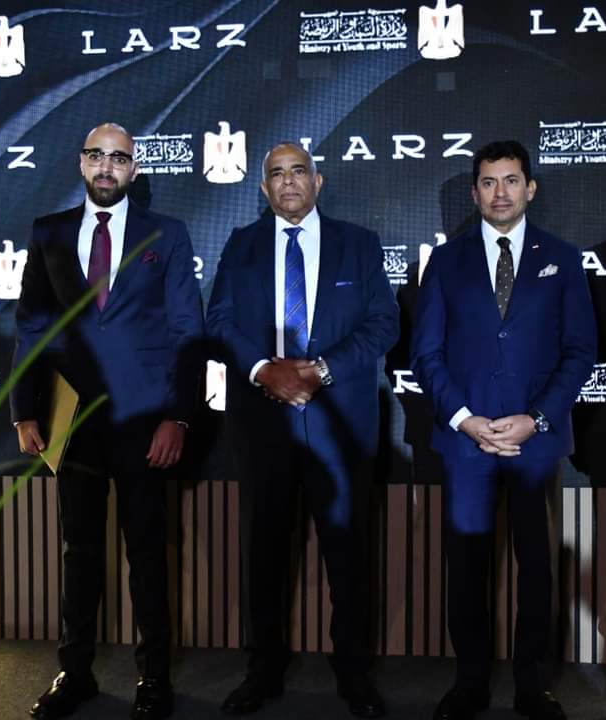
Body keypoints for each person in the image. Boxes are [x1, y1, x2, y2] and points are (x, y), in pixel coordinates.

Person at [11, 122, 204, 720]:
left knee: (147, 552)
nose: (106, 167)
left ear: (134, 169)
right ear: (81, 162)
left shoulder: (167, 234)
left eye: (118, 158)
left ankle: (154, 678)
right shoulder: (48, 233)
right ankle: (75, 673)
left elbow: (187, 331)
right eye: (96, 155)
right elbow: (31, 326)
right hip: (71, 419)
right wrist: (24, 410)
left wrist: (178, 417)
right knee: (79, 551)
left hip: (145, 418)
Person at [206, 142, 399, 718]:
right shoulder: (240, 244)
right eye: (276, 174)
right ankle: (261, 671)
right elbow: (219, 319)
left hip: (340, 424)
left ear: (318, 181)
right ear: (263, 188)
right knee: (264, 551)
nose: (288, 182)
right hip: (263, 423)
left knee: (348, 553)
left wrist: (319, 371)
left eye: (298, 172)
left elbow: (383, 323)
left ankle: (354, 674)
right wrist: (264, 370)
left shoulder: (358, 244)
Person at [411, 140, 596, 720]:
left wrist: (535, 419)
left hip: (535, 444)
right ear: (474, 193)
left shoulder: (562, 258)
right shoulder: (446, 261)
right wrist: (466, 420)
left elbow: (580, 351)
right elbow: (426, 354)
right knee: (467, 567)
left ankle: (532, 686)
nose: (500, 193)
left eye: (511, 180)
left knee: (537, 567)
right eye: (489, 182)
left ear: (530, 188)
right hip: (466, 443)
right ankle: (469, 682)